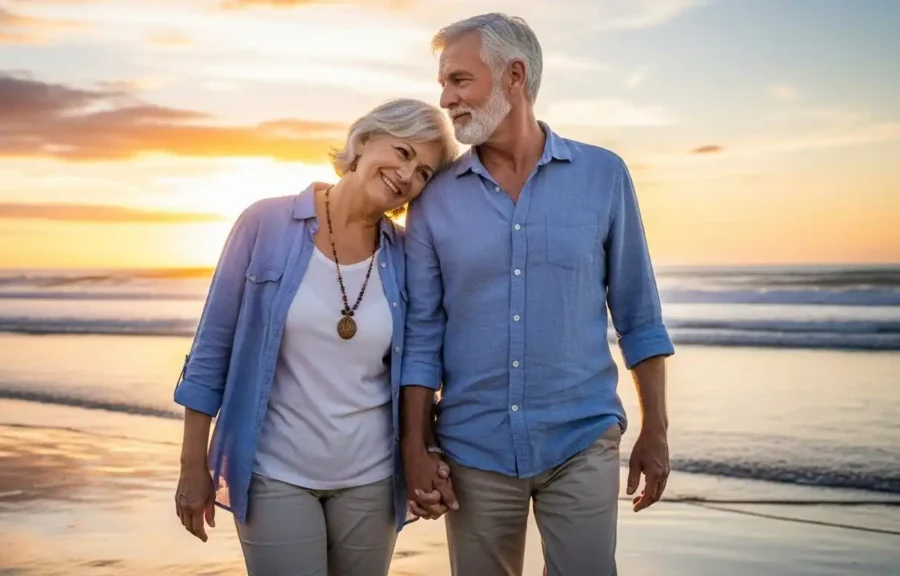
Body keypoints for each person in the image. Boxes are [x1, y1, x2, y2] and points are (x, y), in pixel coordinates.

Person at [400, 13, 676, 576]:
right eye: (443, 84)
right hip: (473, 448)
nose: (446, 99)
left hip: (582, 437)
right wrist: (414, 446)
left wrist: (656, 430)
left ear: (515, 76)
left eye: (458, 80)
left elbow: (638, 313)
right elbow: (421, 335)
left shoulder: (604, 176)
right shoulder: (433, 202)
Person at [172, 98, 458, 576]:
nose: (407, 176)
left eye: (424, 173)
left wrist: (425, 451)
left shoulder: (408, 255)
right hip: (274, 472)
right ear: (365, 139)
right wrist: (191, 465)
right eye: (403, 152)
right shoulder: (264, 224)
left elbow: (421, 362)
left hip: (371, 478)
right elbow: (211, 351)